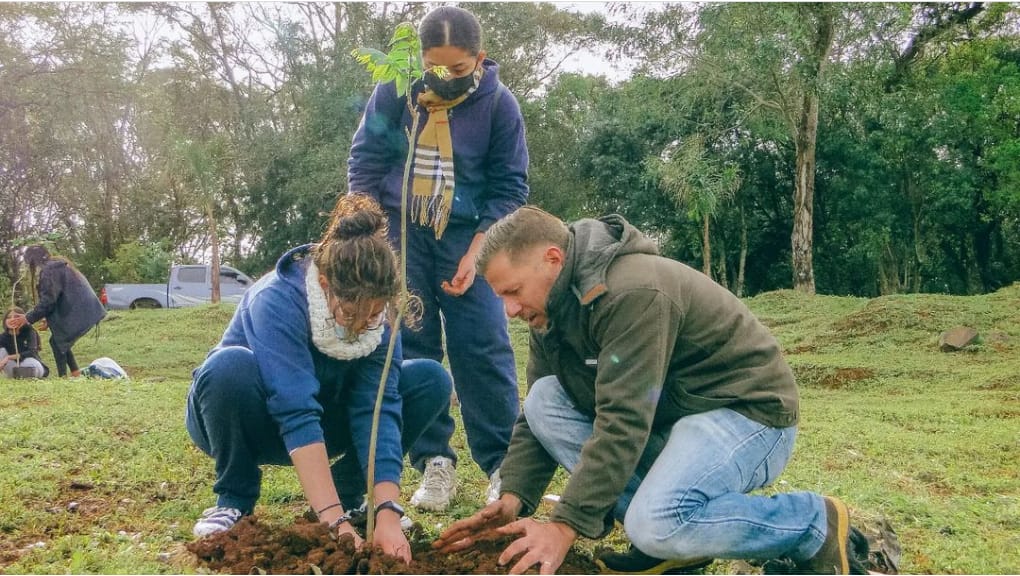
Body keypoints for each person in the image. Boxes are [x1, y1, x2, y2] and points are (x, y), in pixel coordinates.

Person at [433, 206, 869, 575]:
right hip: (674, 418)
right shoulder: (553, 307)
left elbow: (623, 419)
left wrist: (564, 526)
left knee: (656, 522)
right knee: (546, 398)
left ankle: (813, 523)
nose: (509, 309)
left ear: (552, 259)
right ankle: (680, 548)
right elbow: (537, 417)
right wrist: (512, 499)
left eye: (512, 292)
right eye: (501, 298)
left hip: (745, 413)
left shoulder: (632, 292)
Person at [185, 195, 453, 563]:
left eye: (373, 313)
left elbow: (378, 409)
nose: (362, 324)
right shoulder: (277, 300)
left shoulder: (380, 317)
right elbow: (295, 408)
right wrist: (335, 527)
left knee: (430, 379)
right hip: (248, 417)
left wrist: (387, 509)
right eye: (349, 312)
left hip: (327, 421)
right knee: (227, 366)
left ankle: (349, 497)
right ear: (325, 283)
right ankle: (234, 499)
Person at [347, 5, 528, 512]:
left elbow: (510, 187)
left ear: (480, 58)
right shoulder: (397, 92)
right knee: (413, 345)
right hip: (402, 232)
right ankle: (434, 462)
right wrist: (375, 237)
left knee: (483, 346)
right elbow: (366, 161)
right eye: (435, 67)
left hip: (471, 235)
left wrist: (478, 252)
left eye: (458, 68)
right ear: (419, 60)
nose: (445, 78)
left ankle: (500, 465)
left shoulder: (499, 106)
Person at [6, 245, 106, 378]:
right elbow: (57, 297)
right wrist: (48, 319)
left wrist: (27, 318)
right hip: (86, 308)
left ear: (33, 261)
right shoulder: (55, 266)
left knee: (57, 341)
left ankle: (63, 377)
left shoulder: (50, 270)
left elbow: (48, 301)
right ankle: (75, 374)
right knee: (58, 339)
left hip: (81, 310)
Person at [1, 306, 49, 378]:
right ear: (5, 321)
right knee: (1, 351)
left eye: (16, 317)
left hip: (32, 365)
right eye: (9, 317)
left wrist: (9, 357)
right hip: (13, 368)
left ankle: (26, 375)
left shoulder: (29, 331)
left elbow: (32, 352)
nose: (12, 319)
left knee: (30, 362)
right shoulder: (2, 337)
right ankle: (17, 376)